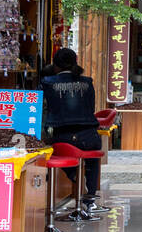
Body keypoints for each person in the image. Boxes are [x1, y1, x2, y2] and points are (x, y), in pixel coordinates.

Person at [40, 47, 102, 220]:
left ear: (55, 65)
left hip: (64, 138)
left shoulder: (47, 82)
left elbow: (43, 109)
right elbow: (91, 108)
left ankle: (76, 178)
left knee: (57, 150)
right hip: (90, 136)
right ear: (75, 62)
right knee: (91, 158)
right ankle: (89, 198)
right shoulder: (87, 82)